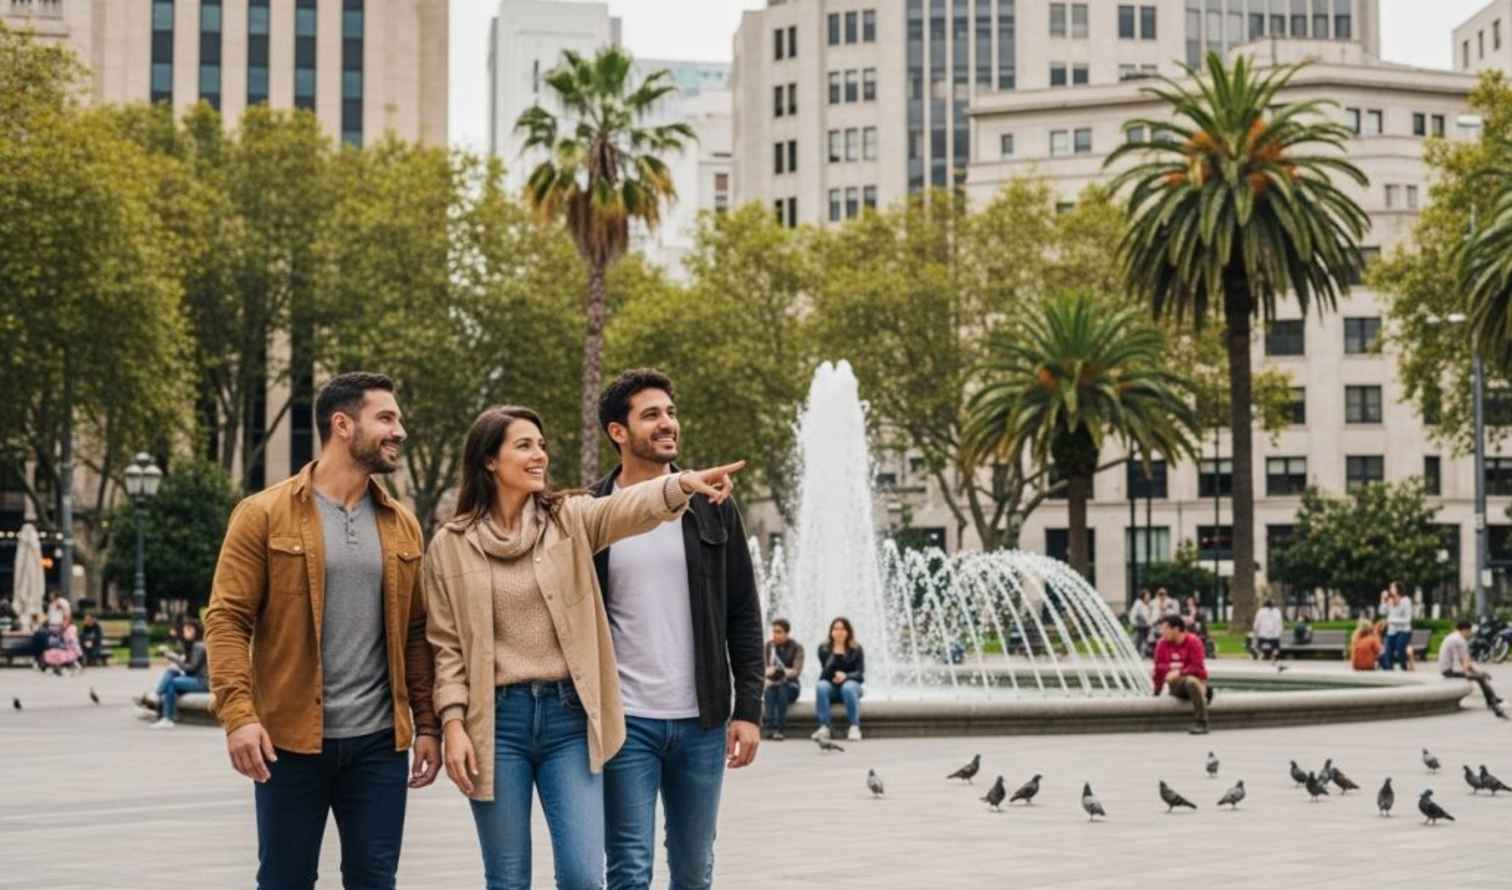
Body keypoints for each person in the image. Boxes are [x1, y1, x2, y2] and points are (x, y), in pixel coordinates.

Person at [424, 404, 745, 890]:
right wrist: (452, 723)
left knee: (582, 877)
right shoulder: (450, 544)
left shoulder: (569, 519)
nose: (540, 457)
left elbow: (627, 509)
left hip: (568, 721)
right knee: (507, 880)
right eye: (525, 446)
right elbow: (445, 647)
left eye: (542, 446)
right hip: (496, 722)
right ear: (489, 460)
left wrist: (679, 485)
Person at [203, 372, 442, 889]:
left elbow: (415, 634)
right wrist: (239, 716)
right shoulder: (262, 514)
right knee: (286, 879)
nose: (398, 430)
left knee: (374, 879)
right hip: (288, 741)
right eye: (386, 418)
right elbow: (226, 619)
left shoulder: (402, 523)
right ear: (342, 425)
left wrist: (427, 725)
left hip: (379, 743)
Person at [588, 369, 764, 890]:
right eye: (651, 415)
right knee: (628, 869)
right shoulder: (591, 513)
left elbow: (744, 613)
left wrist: (748, 710)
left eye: (670, 412)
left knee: (693, 870)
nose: (668, 424)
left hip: (702, 723)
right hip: (625, 725)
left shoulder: (713, 505)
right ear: (618, 432)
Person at [1152, 615, 1213, 735]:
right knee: (1188, 682)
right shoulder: (1162, 644)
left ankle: (1202, 722)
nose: (1162, 632)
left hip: (1196, 680)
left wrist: (1179, 672)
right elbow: (1158, 669)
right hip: (1176, 685)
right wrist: (1156, 691)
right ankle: (1205, 692)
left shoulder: (1193, 642)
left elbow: (1197, 667)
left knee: (1191, 681)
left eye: (1165, 629)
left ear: (1176, 629)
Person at [1438, 618, 1507, 720]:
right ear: (1465, 630)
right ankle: (1493, 703)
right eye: (1469, 631)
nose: (1470, 634)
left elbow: (1466, 661)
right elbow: (1464, 662)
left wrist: (1477, 672)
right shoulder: (1460, 640)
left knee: (1481, 676)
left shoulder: (1453, 637)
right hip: (1449, 671)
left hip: (1447, 669)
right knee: (1482, 678)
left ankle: (1492, 700)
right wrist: (1469, 675)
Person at [813, 616, 866, 742]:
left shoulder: (856, 649)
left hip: (852, 687)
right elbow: (824, 675)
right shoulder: (824, 649)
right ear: (831, 632)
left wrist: (846, 676)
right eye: (835, 629)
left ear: (848, 631)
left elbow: (860, 674)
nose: (839, 632)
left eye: (842, 629)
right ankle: (824, 727)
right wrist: (835, 655)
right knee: (821, 686)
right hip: (832, 687)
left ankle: (854, 727)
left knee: (848, 687)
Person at [150, 618, 209, 728]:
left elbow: (191, 668)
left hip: (203, 682)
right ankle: (168, 717)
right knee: (171, 673)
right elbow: (189, 665)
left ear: (196, 631)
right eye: (184, 630)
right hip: (195, 678)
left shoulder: (199, 646)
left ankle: (160, 702)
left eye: (188, 630)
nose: (185, 632)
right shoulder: (192, 644)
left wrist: (173, 658)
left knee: (172, 682)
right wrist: (177, 659)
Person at [762, 618, 804, 741]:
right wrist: (769, 672)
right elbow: (763, 668)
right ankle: (769, 728)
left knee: (781, 688)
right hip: (771, 685)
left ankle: (779, 729)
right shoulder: (768, 646)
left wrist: (777, 671)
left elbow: (796, 671)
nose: (775, 635)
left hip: (791, 687)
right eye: (774, 631)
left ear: (787, 633)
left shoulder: (797, 647)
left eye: (779, 632)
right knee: (769, 691)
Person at [1378, 586, 1413, 671]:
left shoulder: (1406, 600)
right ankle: (1389, 670)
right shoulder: (1390, 600)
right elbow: (1382, 612)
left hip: (1404, 631)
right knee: (1387, 654)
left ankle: (1404, 668)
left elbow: (1407, 620)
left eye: (1392, 587)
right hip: (1391, 632)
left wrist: (1390, 621)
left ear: (1398, 589)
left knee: (1400, 649)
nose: (1390, 589)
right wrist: (1382, 599)